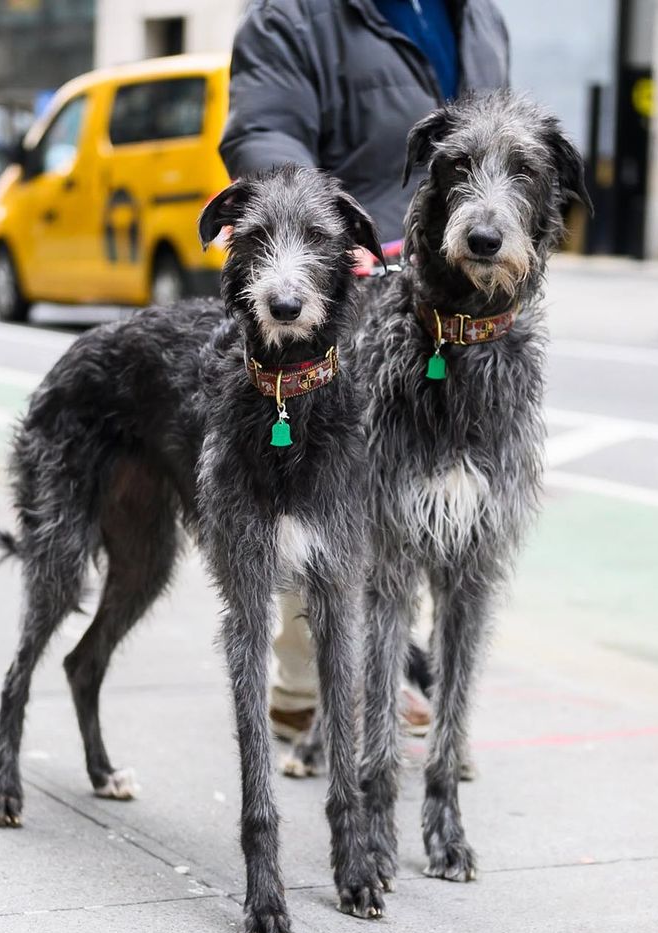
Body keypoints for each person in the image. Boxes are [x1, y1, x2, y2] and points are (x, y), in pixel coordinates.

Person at [219, 0, 510, 741]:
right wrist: (317, 233)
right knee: (325, 480)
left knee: (430, 501)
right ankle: (313, 674)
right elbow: (266, 130)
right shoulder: (294, 17)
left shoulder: (479, 18)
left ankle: (390, 667)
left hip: (451, 305)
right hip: (351, 290)